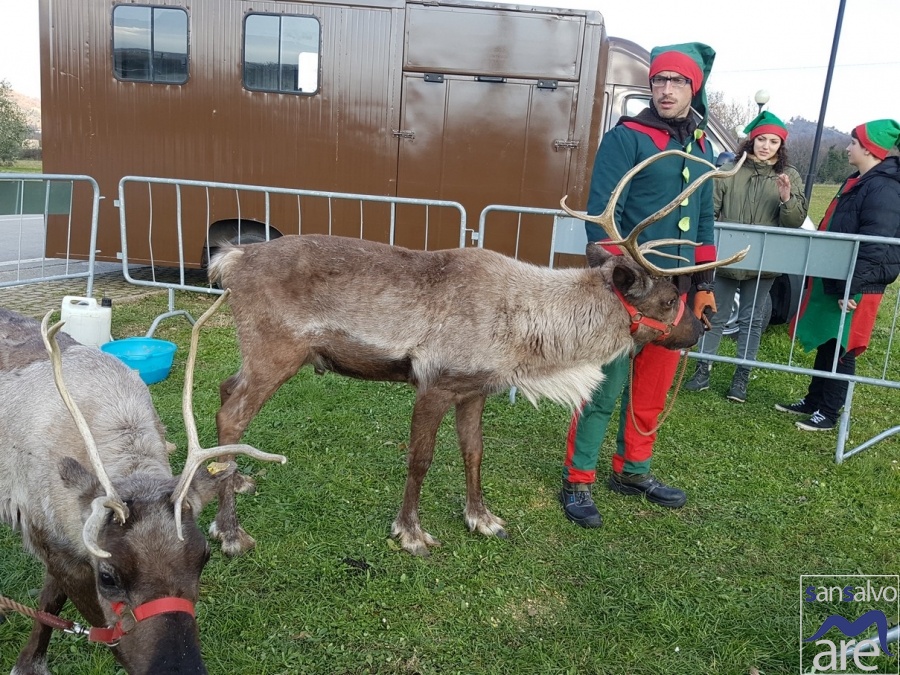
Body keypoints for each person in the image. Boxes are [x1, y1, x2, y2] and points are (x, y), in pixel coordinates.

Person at [560, 42, 719, 528]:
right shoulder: (628, 137)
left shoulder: (702, 146)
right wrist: (620, 282)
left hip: (677, 292)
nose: (665, 90)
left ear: (694, 88)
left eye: (677, 81)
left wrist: (704, 284)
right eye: (658, 80)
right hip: (628, 293)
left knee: (651, 387)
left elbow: (706, 220)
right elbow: (600, 217)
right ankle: (578, 478)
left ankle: (633, 470)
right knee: (604, 388)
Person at [777, 119, 900, 431]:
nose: (848, 148)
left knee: (843, 346)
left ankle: (829, 413)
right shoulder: (861, 180)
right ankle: (814, 400)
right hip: (839, 277)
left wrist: (851, 286)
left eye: (854, 143)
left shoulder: (884, 188)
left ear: (870, 149)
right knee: (828, 342)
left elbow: (876, 246)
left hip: (858, 284)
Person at [684, 111, 809, 402]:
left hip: (765, 262)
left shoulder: (789, 176)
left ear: (781, 146)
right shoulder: (730, 169)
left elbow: (795, 221)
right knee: (715, 314)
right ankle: (704, 369)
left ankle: (742, 375)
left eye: (773, 141)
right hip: (727, 260)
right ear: (752, 140)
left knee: (752, 320)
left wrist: (787, 198)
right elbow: (711, 212)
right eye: (761, 139)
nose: (766, 146)